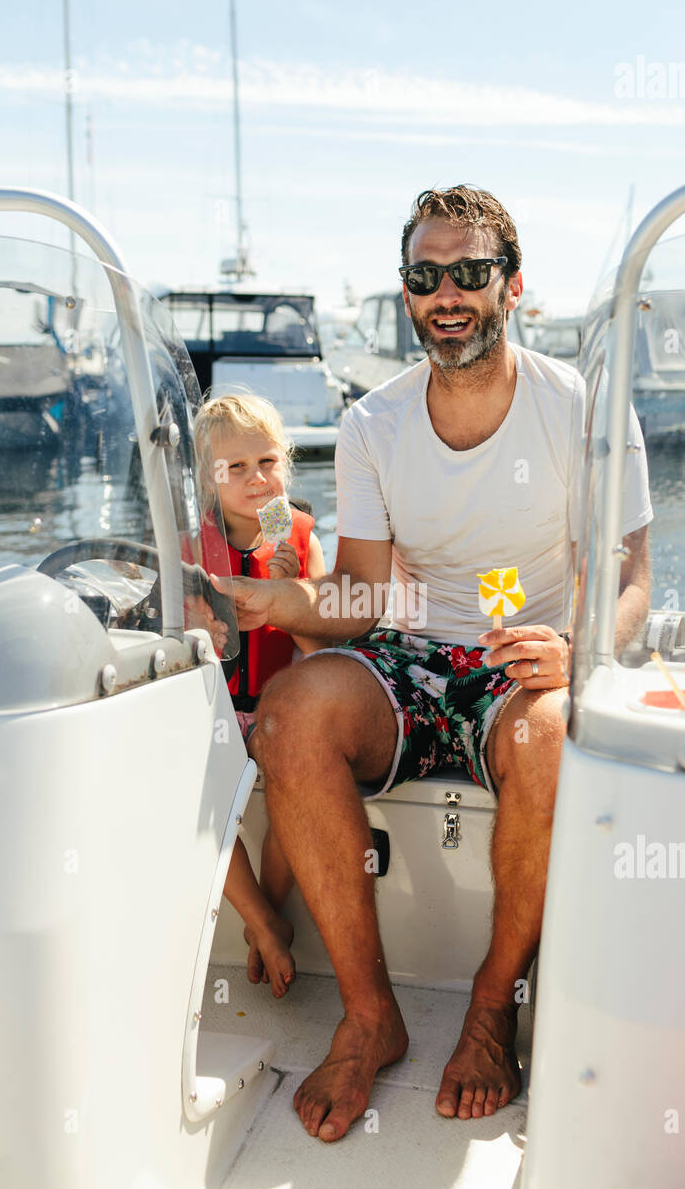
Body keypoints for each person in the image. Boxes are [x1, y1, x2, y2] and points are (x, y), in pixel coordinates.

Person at [215, 185, 653, 1139]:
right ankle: (372, 1020)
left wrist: (580, 653)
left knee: (546, 736)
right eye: (425, 276)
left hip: (521, 658)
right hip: (411, 655)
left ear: (514, 286)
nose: (446, 293)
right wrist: (290, 604)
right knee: (290, 714)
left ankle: (493, 1008)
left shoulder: (579, 409)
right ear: (408, 294)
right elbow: (366, 594)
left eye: (469, 272)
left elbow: (632, 578)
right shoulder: (374, 424)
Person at [193, 391, 327, 996]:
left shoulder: (298, 535)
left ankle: (268, 909)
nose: (256, 479)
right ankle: (262, 920)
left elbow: (322, 642)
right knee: (198, 792)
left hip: (279, 709)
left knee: (297, 785)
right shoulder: (191, 549)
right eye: (236, 468)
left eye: (268, 462)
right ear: (208, 479)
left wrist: (290, 595)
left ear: (286, 463)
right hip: (215, 711)